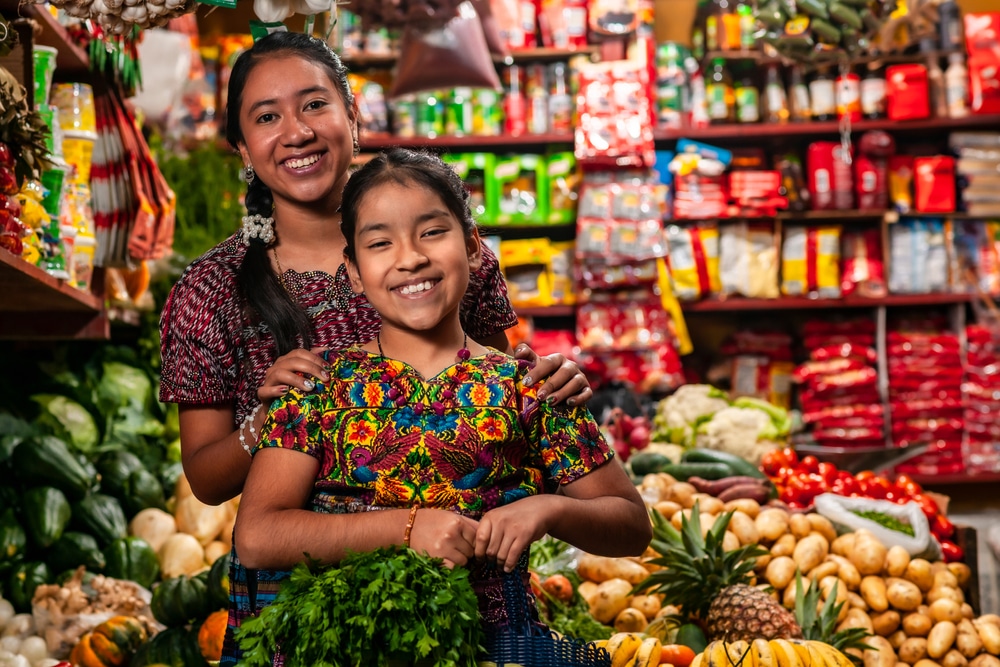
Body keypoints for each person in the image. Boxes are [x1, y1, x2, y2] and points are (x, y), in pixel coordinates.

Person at [158, 31, 595, 666]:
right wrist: (262, 422)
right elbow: (205, 479)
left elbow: (491, 400)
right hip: (302, 603)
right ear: (244, 150)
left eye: (314, 105)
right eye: (267, 117)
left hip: (459, 594)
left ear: (352, 113)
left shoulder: (435, 258)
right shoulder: (210, 290)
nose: (297, 131)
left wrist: (552, 387)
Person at [234, 147, 652, 665]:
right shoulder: (318, 387)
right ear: (355, 271)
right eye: (381, 243)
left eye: (432, 232)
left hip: (491, 650)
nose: (411, 257)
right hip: (341, 650)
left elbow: (632, 526)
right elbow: (257, 535)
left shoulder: (530, 388)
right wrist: (407, 528)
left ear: (474, 247)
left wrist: (551, 508)